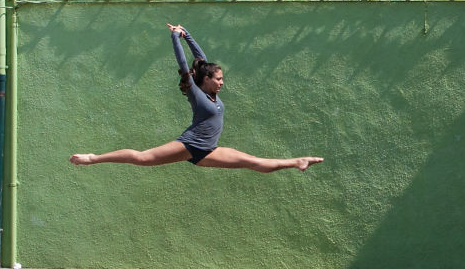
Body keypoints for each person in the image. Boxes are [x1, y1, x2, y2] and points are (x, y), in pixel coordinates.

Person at [70, 24, 323, 172]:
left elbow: (200, 58)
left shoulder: (212, 95)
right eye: (218, 79)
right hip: (190, 145)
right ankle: (93, 158)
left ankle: (297, 161)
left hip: (207, 150)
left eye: (223, 79)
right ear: (205, 79)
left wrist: (187, 33)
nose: (222, 83)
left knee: (253, 163)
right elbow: (183, 63)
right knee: (142, 157)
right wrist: (175, 38)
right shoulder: (196, 91)